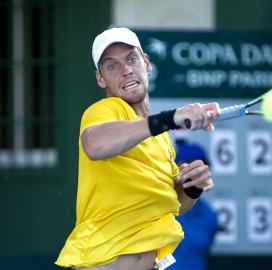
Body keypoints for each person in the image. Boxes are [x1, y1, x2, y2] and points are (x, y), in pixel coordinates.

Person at [55, 27, 220, 270]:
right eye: (112, 66)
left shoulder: (160, 139)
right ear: (101, 79)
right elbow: (94, 144)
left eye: (131, 59)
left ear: (146, 63)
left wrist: (193, 187)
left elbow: (173, 205)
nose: (126, 70)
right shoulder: (104, 111)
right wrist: (169, 119)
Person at [168, 139, 219, 270]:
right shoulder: (158, 209)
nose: (195, 175)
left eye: (200, 170)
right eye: (188, 169)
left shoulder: (209, 216)